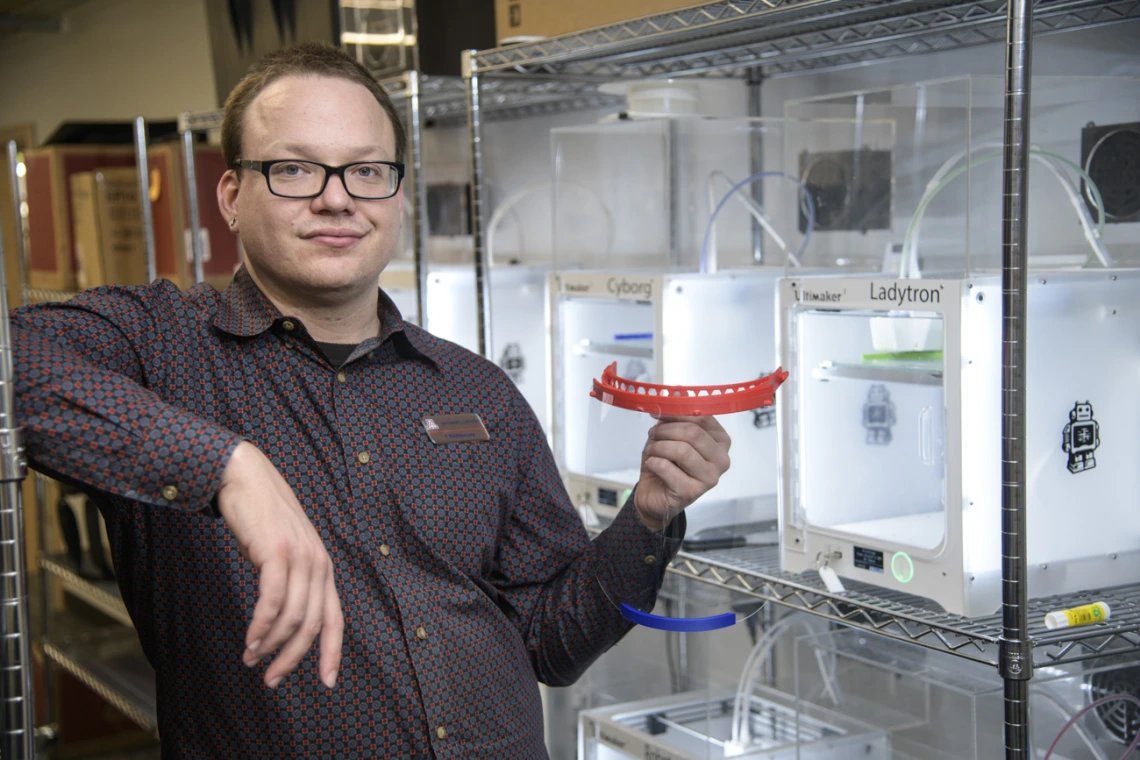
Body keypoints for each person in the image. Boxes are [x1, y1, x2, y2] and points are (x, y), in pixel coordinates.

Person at [11, 42, 730, 759]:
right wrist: (229, 467)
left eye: (367, 170)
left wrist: (648, 515)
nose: (337, 196)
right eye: (293, 168)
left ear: (396, 195)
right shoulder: (160, 347)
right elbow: (14, 363)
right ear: (232, 195)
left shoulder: (475, 389)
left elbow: (550, 640)